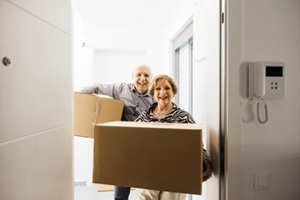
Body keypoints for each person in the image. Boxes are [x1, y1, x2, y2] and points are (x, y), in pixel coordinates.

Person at [80, 64, 155, 200]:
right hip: (124, 146)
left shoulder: (156, 96)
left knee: (146, 190)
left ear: (151, 78)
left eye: (146, 75)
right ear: (132, 76)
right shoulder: (121, 89)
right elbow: (97, 87)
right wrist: (78, 96)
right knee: (121, 187)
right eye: (139, 75)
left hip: (145, 146)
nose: (142, 79)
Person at [134, 74, 212, 200]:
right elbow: (132, 144)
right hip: (148, 173)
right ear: (153, 92)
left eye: (167, 88)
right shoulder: (143, 117)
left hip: (176, 174)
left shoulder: (184, 117)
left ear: (173, 91)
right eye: (158, 89)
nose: (162, 92)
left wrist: (205, 162)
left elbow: (197, 144)